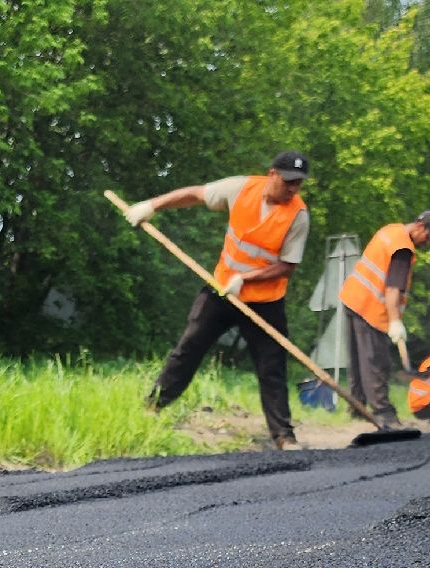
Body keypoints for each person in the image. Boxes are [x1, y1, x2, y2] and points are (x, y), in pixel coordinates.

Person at [121, 152, 314, 450]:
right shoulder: (240, 188)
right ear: (272, 174)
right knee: (189, 346)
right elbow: (196, 194)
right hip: (222, 289)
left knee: (271, 366)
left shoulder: (298, 216)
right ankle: (152, 407)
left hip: (265, 300)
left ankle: (284, 436)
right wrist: (152, 206)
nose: (292, 189)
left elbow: (287, 266)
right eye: (288, 181)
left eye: (298, 184)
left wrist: (246, 279)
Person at [336, 211, 430, 429]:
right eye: (428, 237)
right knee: (376, 362)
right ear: (420, 226)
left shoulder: (390, 230)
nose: (427, 243)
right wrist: (395, 322)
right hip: (372, 309)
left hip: (353, 298)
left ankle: (357, 409)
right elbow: (393, 289)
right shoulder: (403, 250)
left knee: (357, 361)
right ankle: (384, 414)